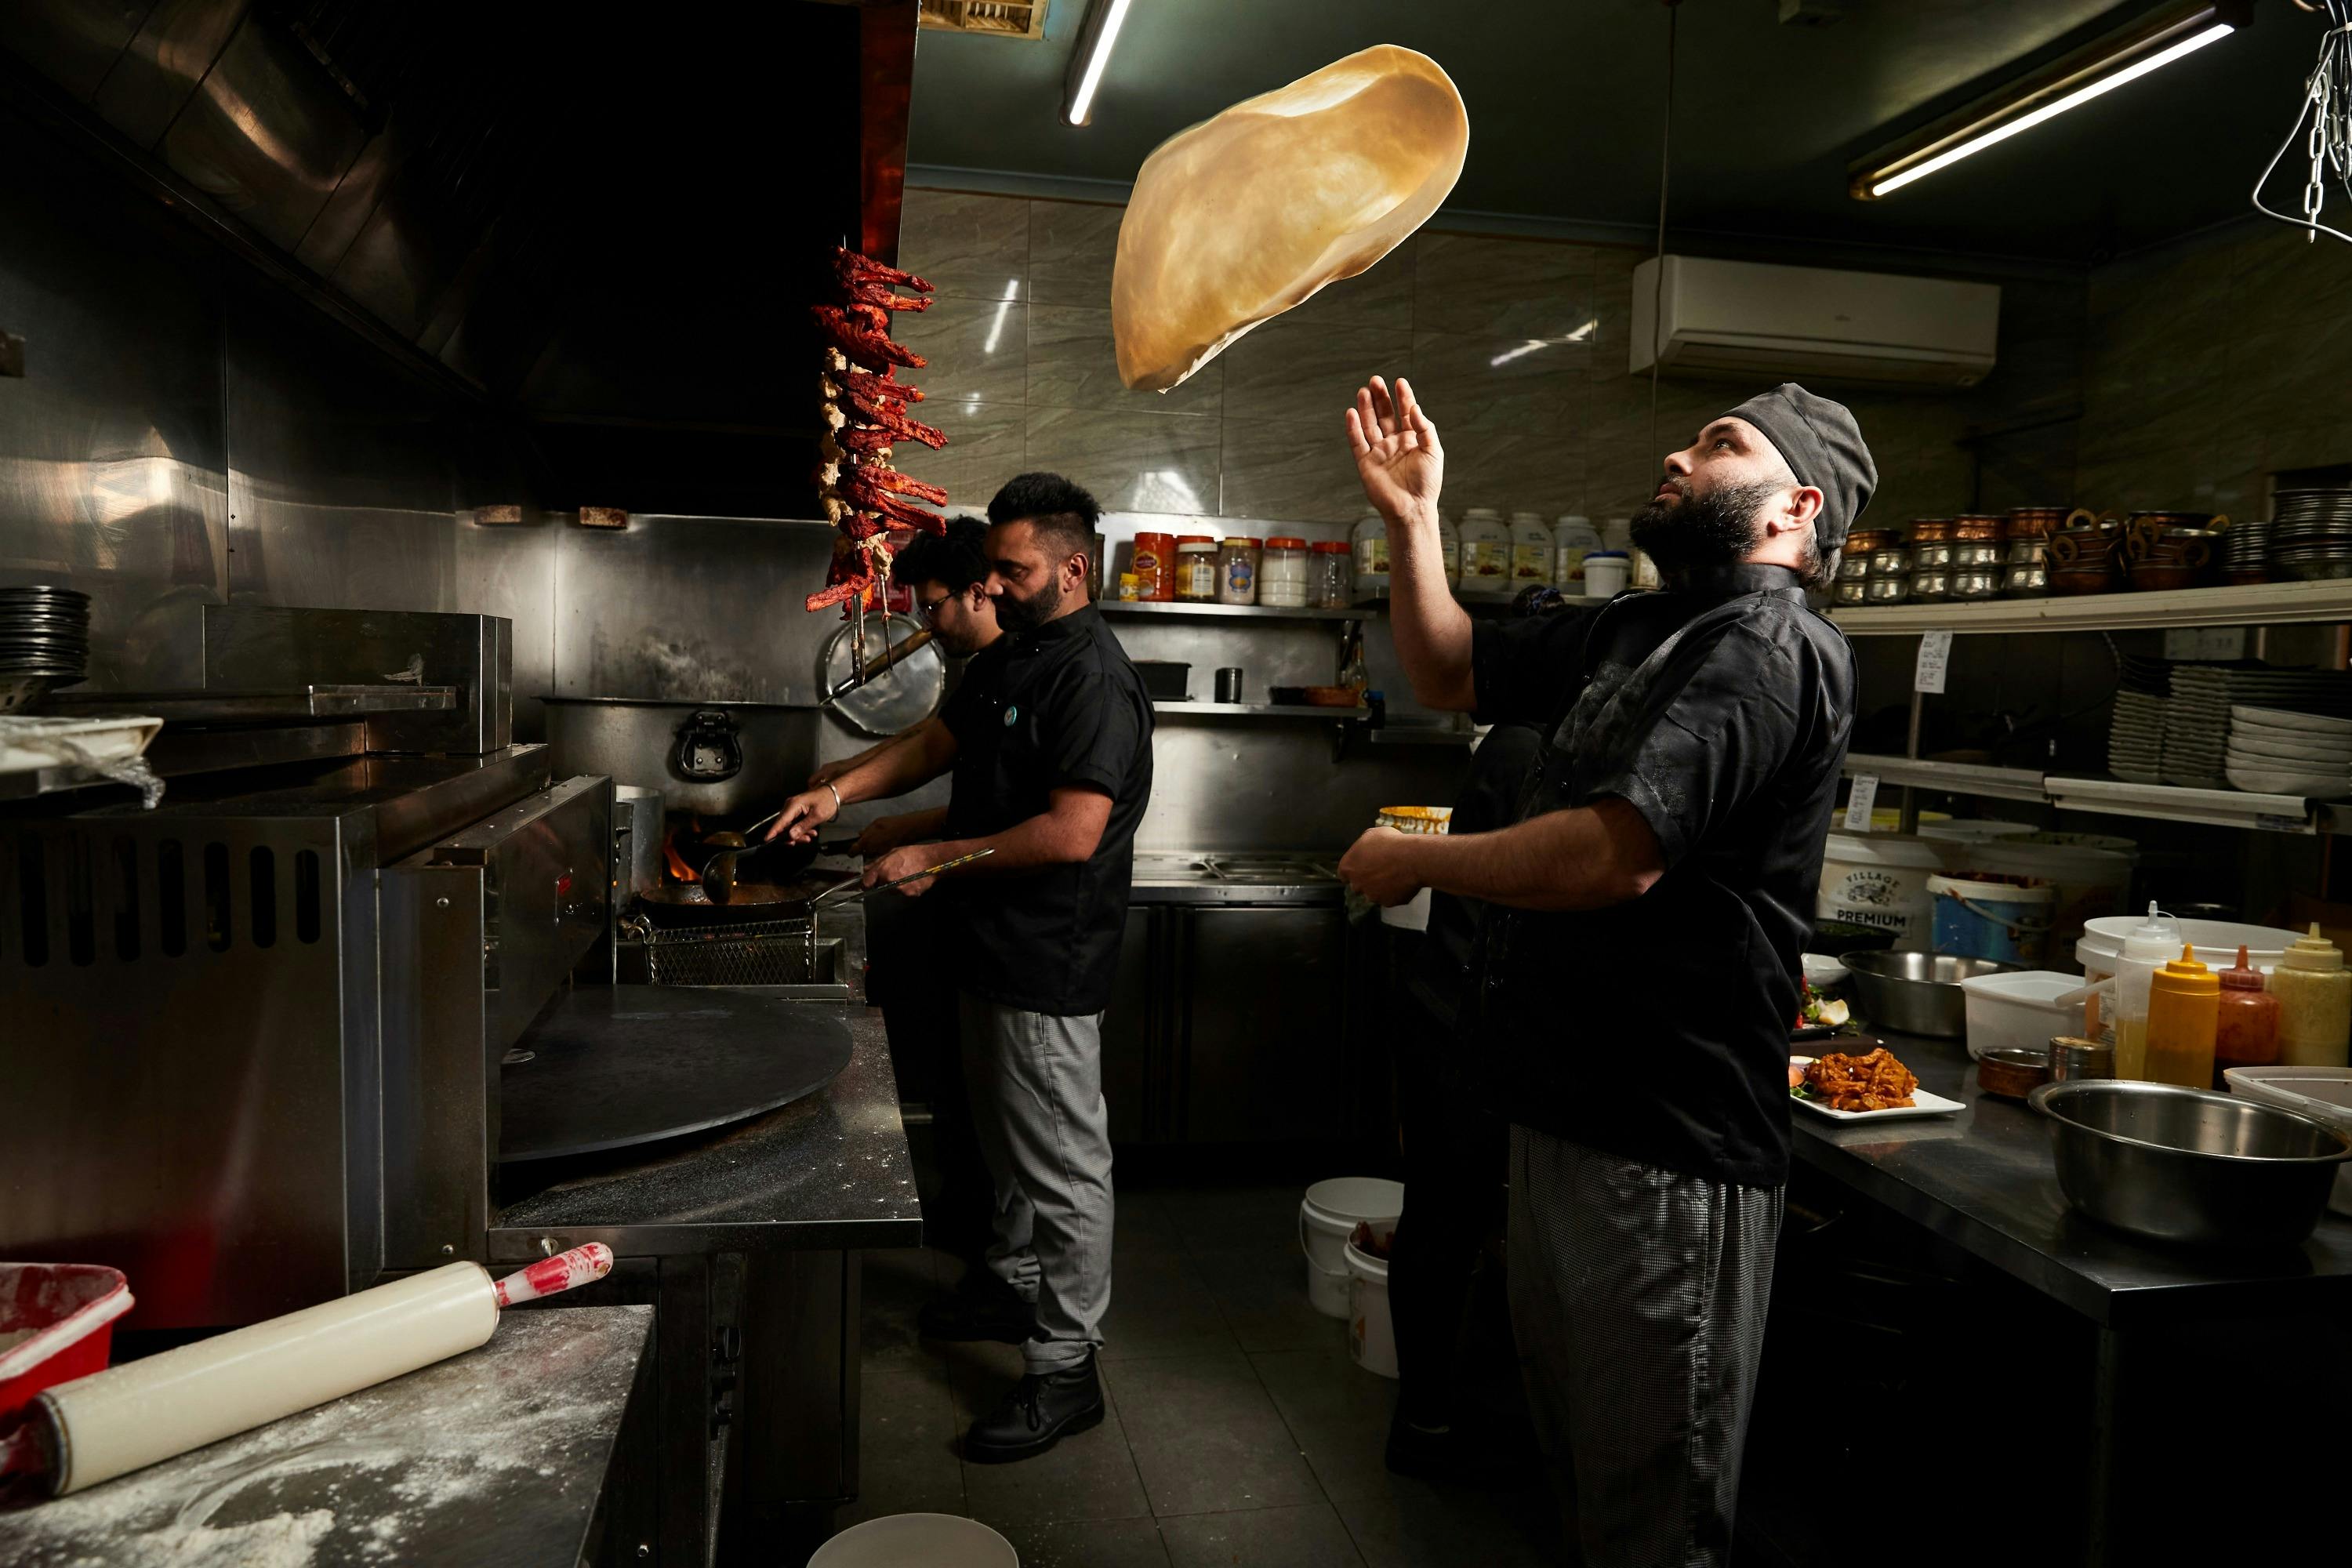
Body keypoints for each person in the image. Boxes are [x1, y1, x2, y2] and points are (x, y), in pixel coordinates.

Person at [1333, 375, 1865, 1566]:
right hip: (1564, 1116)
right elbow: (1449, 669)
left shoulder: (1770, 645)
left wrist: (1423, 859)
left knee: (1648, 1513)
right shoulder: (1642, 626)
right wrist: (1414, 519)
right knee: (1584, 1480)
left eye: (1721, 445)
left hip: (1665, 1142)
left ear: (1797, 509)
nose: (1680, 455)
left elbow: (1619, 856)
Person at [769, 473, 1154, 1464]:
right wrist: (839, 793)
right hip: (988, 947)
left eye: (1013, 571)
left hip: (1045, 959)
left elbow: (1072, 833)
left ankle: (1067, 1368)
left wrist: (933, 856)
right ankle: (1014, 1287)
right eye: (993, 570)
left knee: (1064, 1168)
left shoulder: (1093, 679)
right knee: (1010, 1144)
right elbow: (937, 743)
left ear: (1073, 569)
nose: (995, 586)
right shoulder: (1013, 656)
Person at [818, 519, 1004, 1274]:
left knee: (1020, 1136)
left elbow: (1033, 822)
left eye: (933, 607)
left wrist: (917, 841)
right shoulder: (987, 673)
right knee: (970, 1100)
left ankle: (1007, 1279)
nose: (927, 624)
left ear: (980, 592)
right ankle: (973, 1243)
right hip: (974, 929)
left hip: (1018, 938)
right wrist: (848, 789)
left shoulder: (1039, 670)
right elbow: (936, 747)